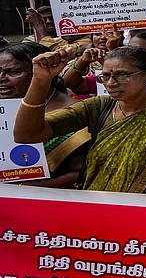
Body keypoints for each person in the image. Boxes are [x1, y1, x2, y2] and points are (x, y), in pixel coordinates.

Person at [15, 46, 146, 193]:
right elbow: (27, 134)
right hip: (95, 205)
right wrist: (40, 80)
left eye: (123, 75)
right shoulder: (100, 106)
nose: (111, 83)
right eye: (105, 76)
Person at [0, 43, 84, 188]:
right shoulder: (6, 104)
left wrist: (22, 187)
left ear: (45, 73)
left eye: (13, 72)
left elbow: (81, 174)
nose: (1, 78)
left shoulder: (72, 114)